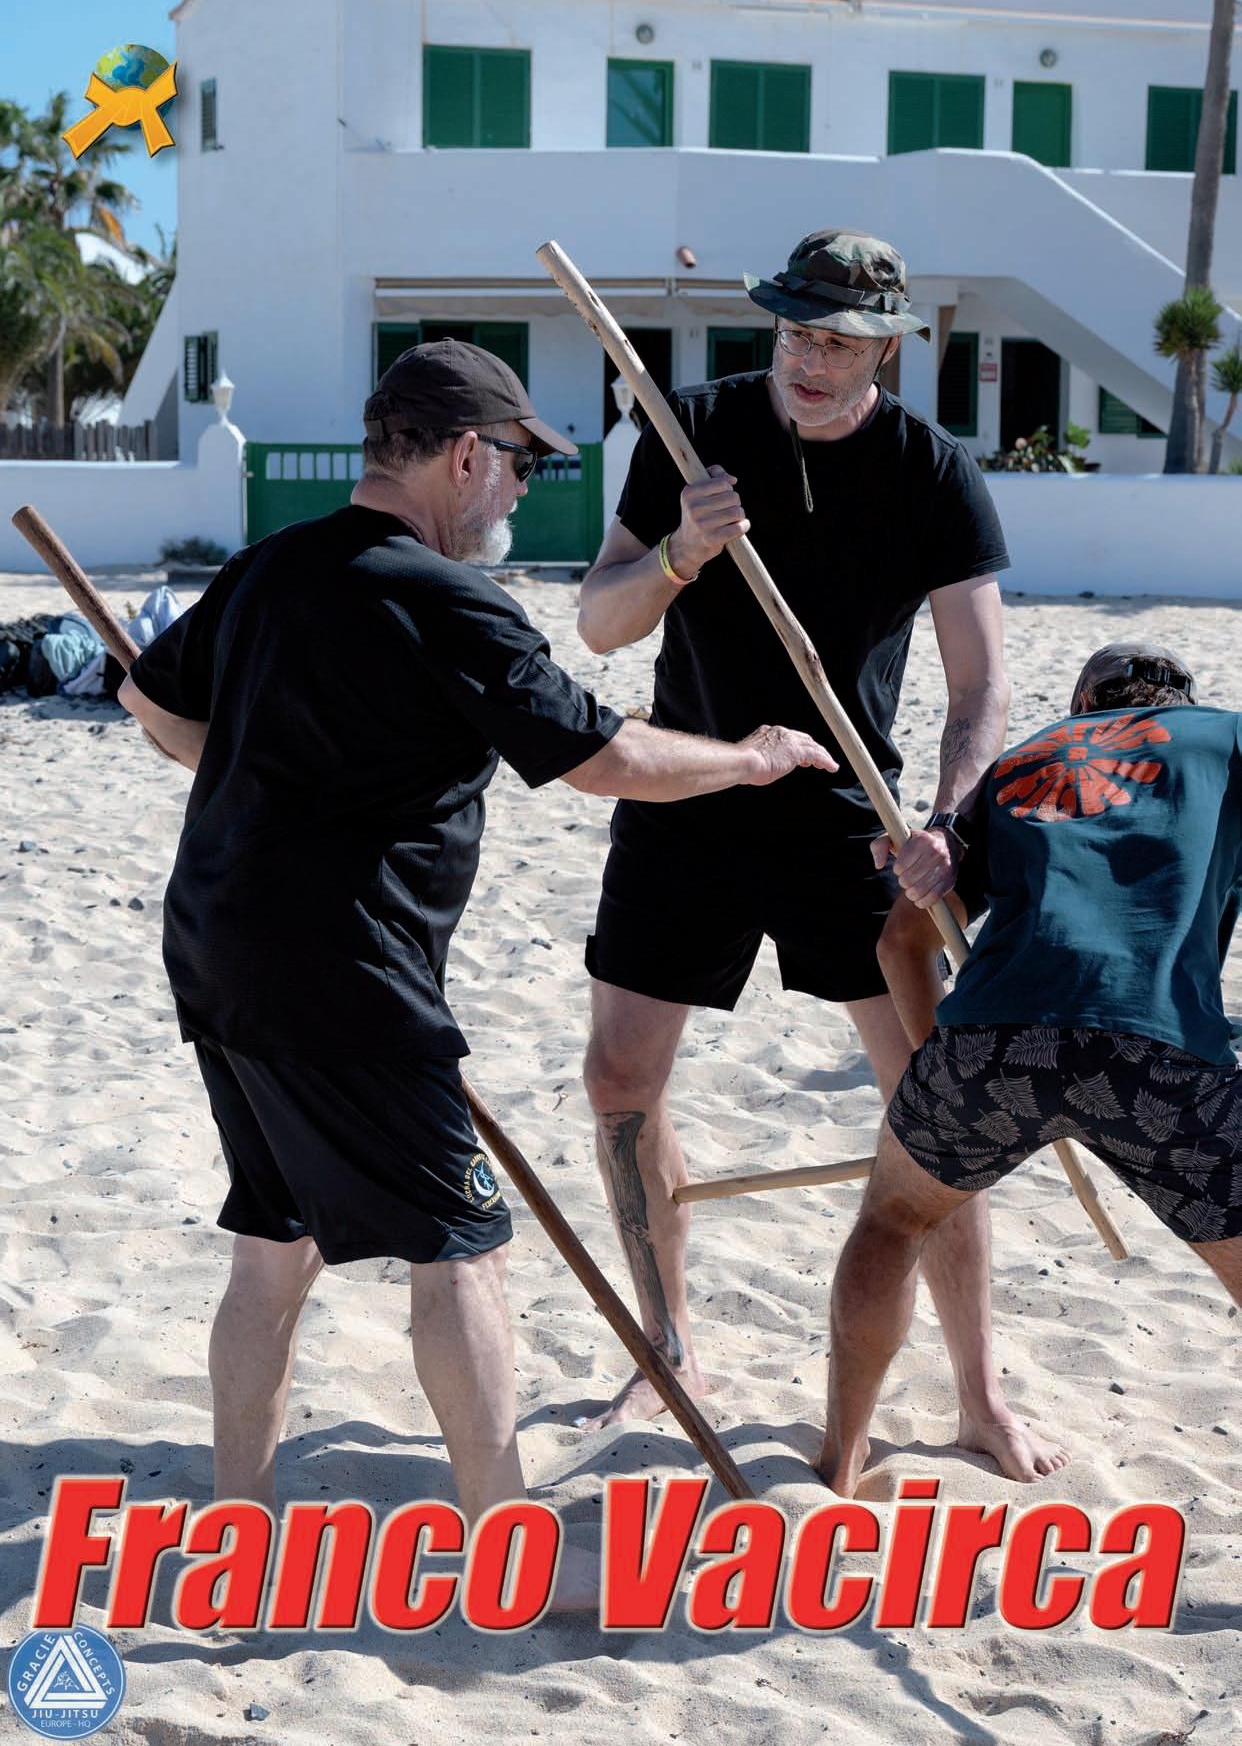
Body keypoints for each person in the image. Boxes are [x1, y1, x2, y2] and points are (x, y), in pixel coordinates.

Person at [118, 339, 836, 1599]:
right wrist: (751, 758)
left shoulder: (271, 565)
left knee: (275, 1240)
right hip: (345, 969)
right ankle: (506, 1544)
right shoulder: (445, 598)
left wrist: (266, 787)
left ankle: (238, 1520)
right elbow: (604, 756)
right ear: (462, 456)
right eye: (516, 463)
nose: (518, 487)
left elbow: (150, 699)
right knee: (462, 1247)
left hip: (219, 941)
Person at [575, 228, 1065, 1481]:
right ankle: (668, 1345)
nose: (808, 357)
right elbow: (599, 622)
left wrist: (948, 823)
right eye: (796, 329)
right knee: (620, 1079)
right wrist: (680, 553)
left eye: (840, 341)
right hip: (689, 784)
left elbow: (980, 688)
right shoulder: (692, 430)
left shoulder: (933, 473)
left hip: (852, 810)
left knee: (935, 1107)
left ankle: (977, 1390)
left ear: (886, 347)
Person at [819, 645, 1242, 1497]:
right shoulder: (1225, 739)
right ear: (1180, 701)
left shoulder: (1022, 763)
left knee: (895, 1220)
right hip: (1159, 1046)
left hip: (992, 1038)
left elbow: (901, 940)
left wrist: (935, 1073)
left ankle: (840, 1462)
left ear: (1084, 704)